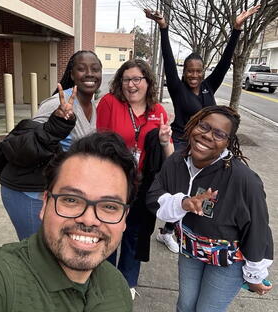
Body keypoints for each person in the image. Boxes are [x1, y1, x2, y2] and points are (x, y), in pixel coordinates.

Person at [0, 132, 137, 311]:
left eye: (109, 206)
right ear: (45, 203)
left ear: (124, 218)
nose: (88, 220)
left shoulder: (118, 286)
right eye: (71, 200)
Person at [144, 5, 260, 250]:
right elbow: (166, 58)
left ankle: (198, 221)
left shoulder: (209, 86)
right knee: (178, 183)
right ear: (184, 72)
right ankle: (168, 230)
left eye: (198, 71)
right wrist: (164, 28)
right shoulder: (177, 88)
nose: (194, 75)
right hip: (181, 141)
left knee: (208, 184)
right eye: (189, 71)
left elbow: (226, 61)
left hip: (207, 144)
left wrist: (236, 29)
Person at [147, 105, 273, 312]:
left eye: (219, 134)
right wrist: (182, 203)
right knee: (185, 306)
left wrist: (254, 274)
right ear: (193, 125)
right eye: (203, 126)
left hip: (228, 259)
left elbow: (258, 229)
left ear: (228, 143)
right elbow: (154, 196)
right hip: (190, 249)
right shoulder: (176, 162)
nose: (207, 136)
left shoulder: (244, 180)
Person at [0, 50, 102, 240]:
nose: (89, 73)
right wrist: (57, 124)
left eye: (95, 69)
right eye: (81, 68)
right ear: (72, 74)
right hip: (29, 192)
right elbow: (25, 142)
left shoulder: (92, 105)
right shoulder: (56, 103)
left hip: (54, 190)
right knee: (36, 250)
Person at [96, 58, 174, 298]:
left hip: (143, 186)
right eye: (126, 79)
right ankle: (105, 281)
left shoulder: (157, 111)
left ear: (148, 82)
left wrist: (163, 141)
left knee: (134, 234)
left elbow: (169, 154)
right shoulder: (110, 103)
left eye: (137, 79)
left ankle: (127, 283)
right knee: (108, 230)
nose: (131, 85)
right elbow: (98, 144)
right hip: (113, 183)